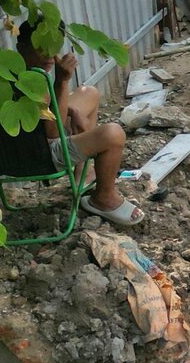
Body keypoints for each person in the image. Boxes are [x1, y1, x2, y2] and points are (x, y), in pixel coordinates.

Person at [18, 21, 143, 227]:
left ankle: (82, 173)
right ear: (21, 48)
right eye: (40, 46)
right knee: (113, 134)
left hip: (17, 148)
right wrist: (62, 81)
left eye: (54, 45)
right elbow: (52, 132)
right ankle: (103, 198)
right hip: (37, 155)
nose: (49, 54)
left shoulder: (9, 71)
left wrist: (72, 110)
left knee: (89, 93)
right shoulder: (34, 81)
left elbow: (48, 117)